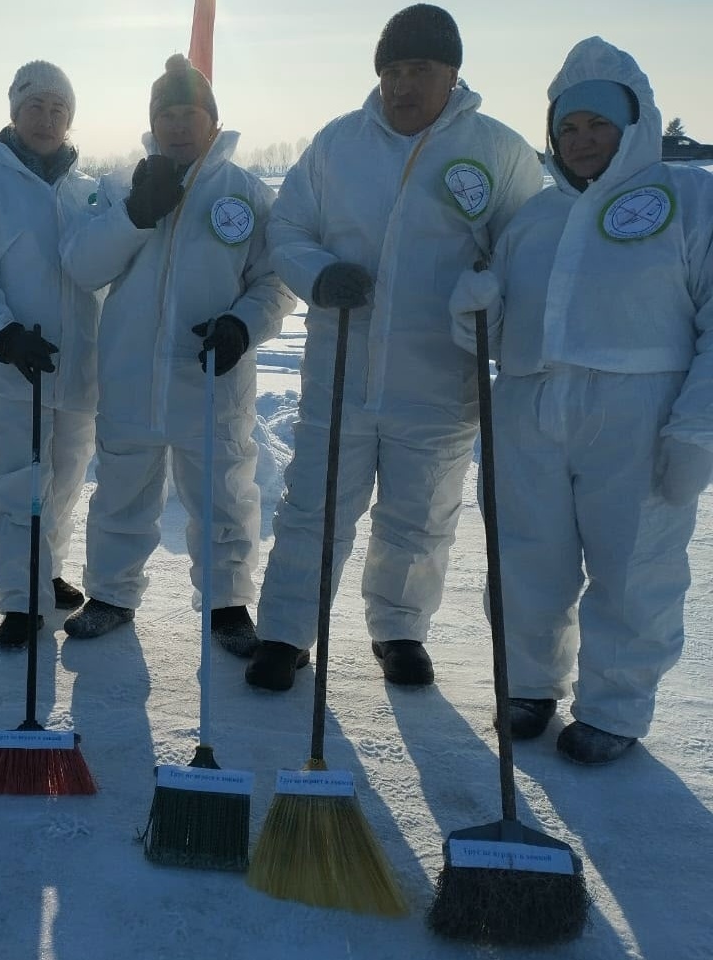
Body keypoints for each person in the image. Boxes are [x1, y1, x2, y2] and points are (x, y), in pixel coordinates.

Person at [250, 4, 544, 691]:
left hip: (440, 376)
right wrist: (320, 273)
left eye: (419, 69)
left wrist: (490, 296)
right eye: (392, 71)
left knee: (420, 512)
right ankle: (286, 632)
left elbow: (527, 253)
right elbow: (287, 228)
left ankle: (400, 629)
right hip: (342, 365)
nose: (402, 85)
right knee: (314, 505)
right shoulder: (338, 144)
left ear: (453, 73)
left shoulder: (499, 151)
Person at [448, 37, 713, 764]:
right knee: (526, 558)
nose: (582, 139)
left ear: (635, 124)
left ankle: (615, 708)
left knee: (635, 567)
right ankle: (528, 684)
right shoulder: (534, 218)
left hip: (639, 413)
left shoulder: (690, 201)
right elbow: (497, 334)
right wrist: (474, 309)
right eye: (568, 127)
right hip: (530, 408)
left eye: (599, 123)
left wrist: (697, 431)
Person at [61, 54, 294, 652]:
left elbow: (275, 281)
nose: (178, 124)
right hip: (130, 377)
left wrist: (242, 325)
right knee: (121, 491)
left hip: (210, 376)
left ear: (213, 120)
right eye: (166, 114)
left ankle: (227, 603)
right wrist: (137, 214)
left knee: (225, 496)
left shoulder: (246, 194)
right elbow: (82, 266)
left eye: (190, 112)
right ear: (153, 122)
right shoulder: (122, 186)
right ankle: (111, 594)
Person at [0, 61, 100, 648]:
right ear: (14, 113)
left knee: (63, 482)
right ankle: (19, 599)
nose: (47, 119)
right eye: (36, 106)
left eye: (59, 109)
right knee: (18, 483)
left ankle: (45, 572)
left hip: (76, 367)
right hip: (13, 367)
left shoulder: (88, 191)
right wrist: (3, 333)